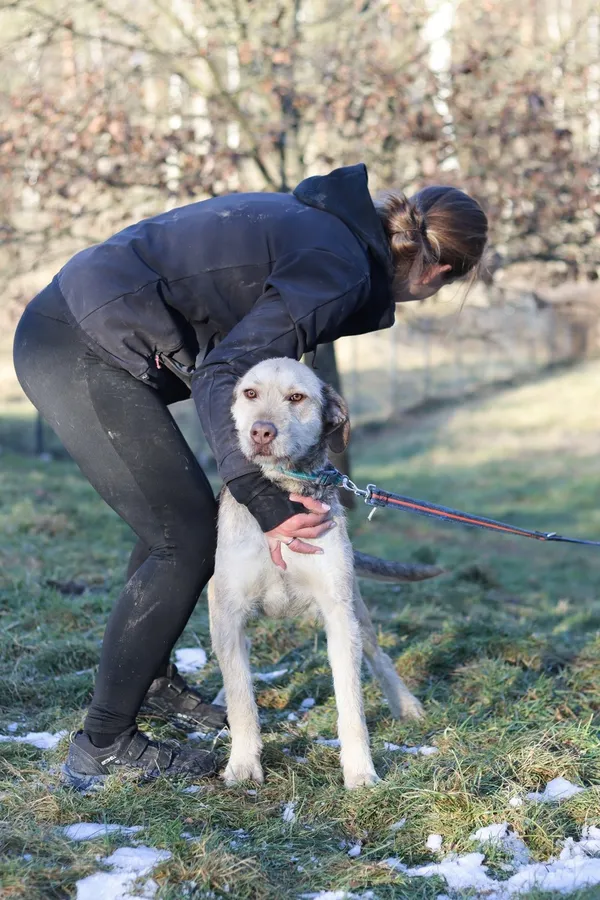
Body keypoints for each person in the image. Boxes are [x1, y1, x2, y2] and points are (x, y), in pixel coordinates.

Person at [13, 163, 488, 784]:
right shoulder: (338, 268)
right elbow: (223, 374)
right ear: (438, 272)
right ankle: (103, 741)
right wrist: (265, 501)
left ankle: (151, 680)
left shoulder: (338, 235)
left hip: (94, 327)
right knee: (181, 534)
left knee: (174, 512)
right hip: (74, 344)